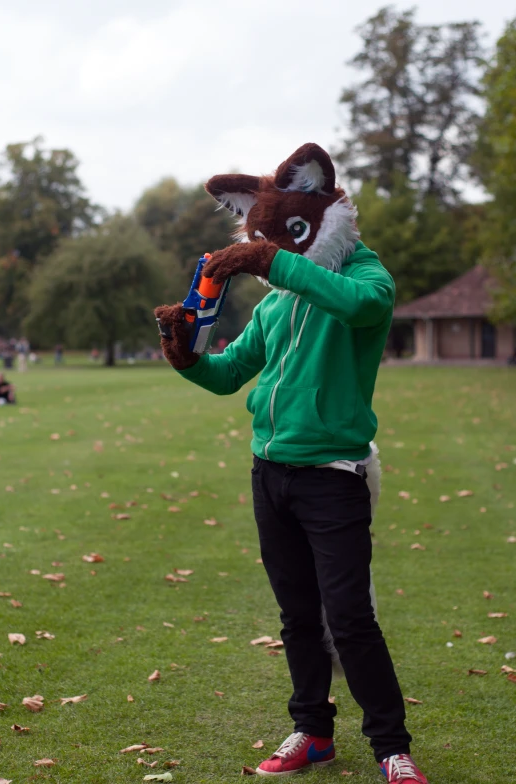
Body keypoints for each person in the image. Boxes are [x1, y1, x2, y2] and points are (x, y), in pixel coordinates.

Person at [155, 144, 429, 784]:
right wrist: (186, 358)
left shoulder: (366, 277)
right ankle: (312, 732)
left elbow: (360, 307)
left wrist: (273, 260)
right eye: (264, 238)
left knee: (350, 619)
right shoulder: (276, 304)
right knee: (298, 617)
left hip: (335, 475)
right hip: (270, 473)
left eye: (282, 237)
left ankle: (391, 746)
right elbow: (229, 377)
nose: (271, 250)